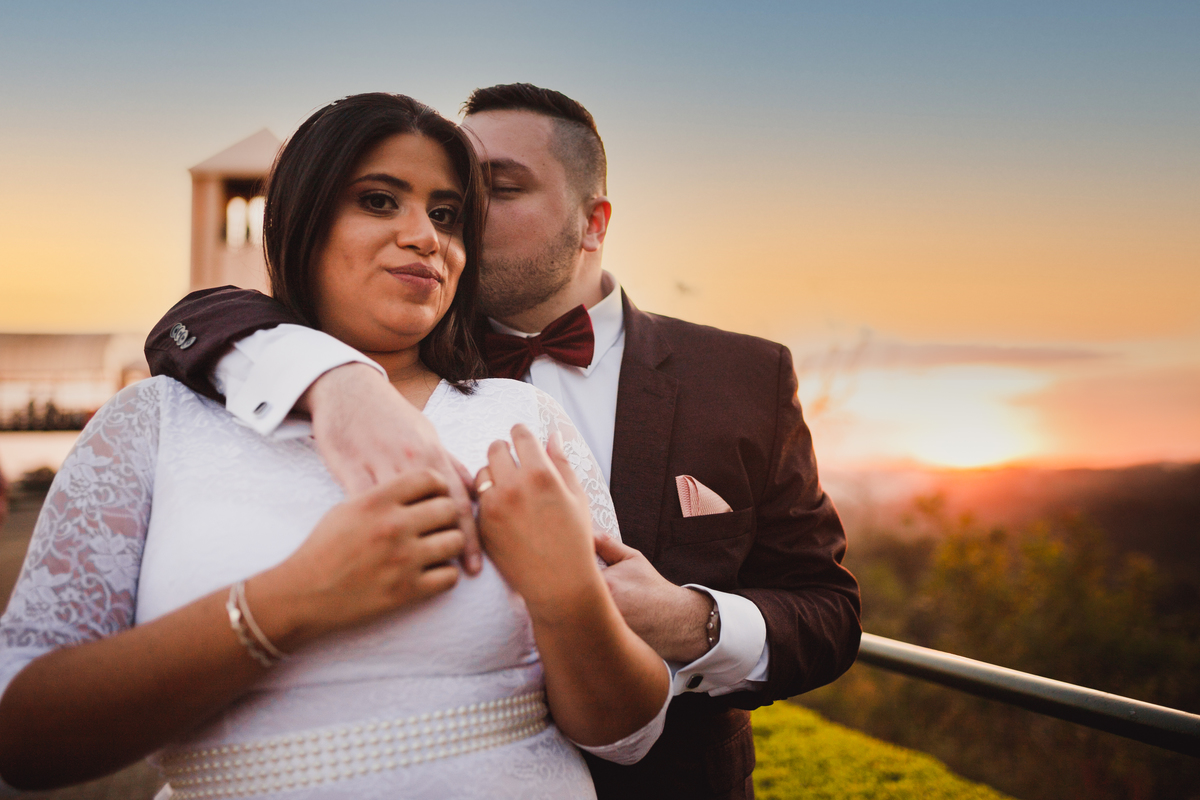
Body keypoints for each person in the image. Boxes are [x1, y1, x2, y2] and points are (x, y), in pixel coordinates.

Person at [141, 84, 861, 800]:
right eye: (457, 201)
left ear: (592, 222)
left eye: (497, 191)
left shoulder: (744, 375)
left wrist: (694, 620)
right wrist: (337, 381)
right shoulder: (395, 344)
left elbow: (828, 613)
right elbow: (194, 321)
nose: (450, 223)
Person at [0, 93, 670, 798]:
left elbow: (629, 737)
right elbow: (23, 735)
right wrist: (292, 601)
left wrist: (568, 593)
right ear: (301, 218)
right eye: (379, 201)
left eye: (446, 216)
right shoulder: (155, 421)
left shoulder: (523, 418)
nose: (424, 236)